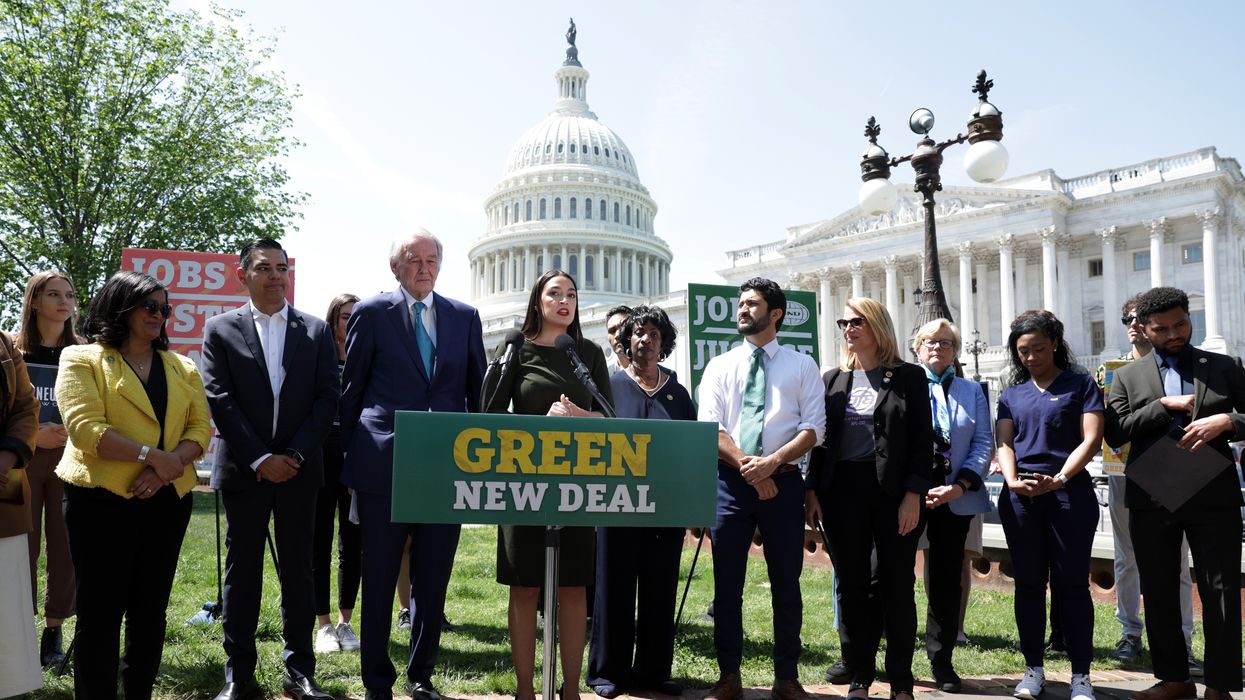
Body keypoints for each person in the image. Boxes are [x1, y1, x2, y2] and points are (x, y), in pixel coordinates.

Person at [339, 230, 486, 700]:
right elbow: (352, 391)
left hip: (446, 464)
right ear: (395, 267)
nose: (424, 267)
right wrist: (352, 462)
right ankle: (377, 681)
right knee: (380, 576)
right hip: (385, 463)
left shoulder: (465, 317)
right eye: (413, 259)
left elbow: (476, 394)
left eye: (431, 259)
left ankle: (421, 676)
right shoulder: (371, 313)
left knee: (433, 575)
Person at [56, 271, 211, 700]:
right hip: (99, 501)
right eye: (151, 306)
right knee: (100, 614)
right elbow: (86, 429)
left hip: (166, 501)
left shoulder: (183, 366)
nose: (160, 315)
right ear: (120, 306)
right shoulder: (81, 358)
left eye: (165, 308)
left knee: (150, 612)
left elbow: (200, 429)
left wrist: (168, 466)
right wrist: (152, 457)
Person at [202, 238, 340, 700]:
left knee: (299, 572)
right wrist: (261, 458)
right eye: (264, 268)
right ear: (242, 275)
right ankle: (238, 674)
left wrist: (294, 457)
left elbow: (326, 400)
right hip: (246, 470)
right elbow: (219, 398)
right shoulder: (220, 329)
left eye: (283, 267)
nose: (276, 276)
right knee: (242, 574)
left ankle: (300, 672)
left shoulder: (316, 331)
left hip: (301, 473)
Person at [1105, 287, 1243, 700]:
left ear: (1189, 318)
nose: (1174, 333)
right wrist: (1162, 406)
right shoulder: (1127, 376)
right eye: (1162, 328)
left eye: (1180, 323)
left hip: (1213, 493)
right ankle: (1174, 679)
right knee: (1160, 588)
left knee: (1219, 589)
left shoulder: (1224, 366)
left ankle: (1219, 684)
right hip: (1153, 494)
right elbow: (1114, 432)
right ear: (1144, 330)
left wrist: (1226, 422)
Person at [483, 269, 610, 700]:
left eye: (571, 294)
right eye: (554, 293)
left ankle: (571, 690)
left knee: (573, 586)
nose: (565, 301)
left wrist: (579, 418)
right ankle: (525, 691)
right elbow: (489, 415)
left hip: (578, 483)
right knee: (525, 585)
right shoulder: (515, 347)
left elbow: (610, 419)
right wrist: (539, 424)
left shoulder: (586, 353)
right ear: (537, 300)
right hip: (524, 482)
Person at [700, 277, 823, 700]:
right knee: (726, 585)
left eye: (752, 304)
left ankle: (786, 677)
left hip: (784, 485)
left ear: (776, 314)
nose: (742, 310)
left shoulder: (802, 365)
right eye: (741, 304)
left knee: (787, 585)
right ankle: (728, 676)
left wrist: (771, 465)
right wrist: (751, 469)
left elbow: (813, 430)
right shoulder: (719, 366)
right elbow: (710, 429)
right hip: (730, 486)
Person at [806, 297, 931, 700]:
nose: (848, 328)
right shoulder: (832, 379)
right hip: (842, 492)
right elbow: (820, 443)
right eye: (844, 322)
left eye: (857, 321)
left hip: (893, 494)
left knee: (896, 586)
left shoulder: (909, 377)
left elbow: (920, 442)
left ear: (877, 326)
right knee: (851, 586)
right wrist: (812, 490)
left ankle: (900, 681)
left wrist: (914, 494)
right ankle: (860, 674)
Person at [995, 311, 1103, 700]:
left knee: (1072, 585)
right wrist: (1011, 482)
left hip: (1068, 495)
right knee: (1027, 585)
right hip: (1021, 497)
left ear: (1055, 343)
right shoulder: (1011, 394)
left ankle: (1081, 676)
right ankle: (1033, 670)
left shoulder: (1081, 384)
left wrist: (1059, 478)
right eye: (1022, 351)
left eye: (1038, 348)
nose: (1030, 357)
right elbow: (1004, 442)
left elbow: (1091, 440)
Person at [587, 305, 692, 699]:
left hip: (665, 509)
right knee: (612, 586)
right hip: (615, 504)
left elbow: (689, 450)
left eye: (653, 335)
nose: (644, 340)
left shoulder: (677, 394)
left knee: (659, 587)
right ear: (627, 341)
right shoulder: (608, 387)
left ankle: (652, 671)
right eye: (638, 334)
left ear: (664, 344)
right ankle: (606, 672)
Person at [1095, 297, 1198, 670]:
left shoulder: (1180, 364)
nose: (1135, 324)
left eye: (1142, 319)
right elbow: (1109, 428)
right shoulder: (1112, 371)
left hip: (1174, 471)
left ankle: (1182, 642)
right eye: (1129, 319)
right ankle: (1130, 632)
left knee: (1179, 563)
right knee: (1127, 558)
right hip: (1124, 472)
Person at [910, 319, 992, 692]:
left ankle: (941, 660)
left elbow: (983, 443)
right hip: (908, 496)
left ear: (956, 351)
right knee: (892, 576)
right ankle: (894, 658)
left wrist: (960, 486)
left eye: (945, 343)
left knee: (945, 581)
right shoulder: (904, 385)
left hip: (956, 497)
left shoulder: (972, 391)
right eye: (929, 342)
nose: (937, 348)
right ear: (917, 348)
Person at [14, 271, 81, 668]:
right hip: (18, 462)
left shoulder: (84, 352)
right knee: (18, 548)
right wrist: (32, 436)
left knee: (65, 549)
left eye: (69, 295)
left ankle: (53, 634)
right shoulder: (10, 349)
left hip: (69, 460)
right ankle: (16, 632)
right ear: (34, 301)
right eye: (53, 294)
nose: (64, 301)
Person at [313, 293, 362, 653]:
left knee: (352, 542)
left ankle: (346, 623)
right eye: (346, 317)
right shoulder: (318, 356)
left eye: (357, 317)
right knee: (319, 541)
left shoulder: (367, 360)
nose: (351, 323)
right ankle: (323, 624)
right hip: (320, 451)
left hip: (355, 454)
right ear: (333, 320)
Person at [0, 328, 42, 698]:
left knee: (4, 594)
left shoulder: (3, 343)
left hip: (4, 483)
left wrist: (8, 456)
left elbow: (26, 407)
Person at [604, 304, 632, 373]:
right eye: (612, 331)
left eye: (623, 328)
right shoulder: (604, 377)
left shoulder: (659, 375)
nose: (617, 335)